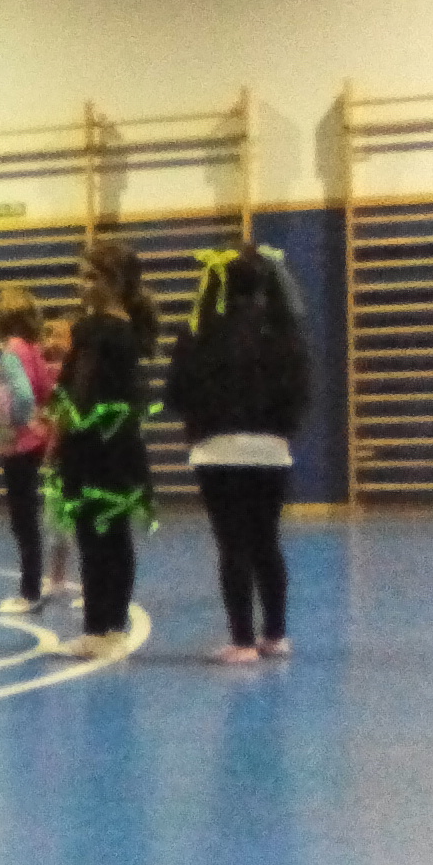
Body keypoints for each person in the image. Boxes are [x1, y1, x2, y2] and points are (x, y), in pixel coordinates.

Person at [165, 249, 310, 663]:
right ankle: (276, 635)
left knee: (233, 545)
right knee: (267, 542)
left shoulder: (200, 332)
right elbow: (300, 393)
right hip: (271, 450)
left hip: (217, 450)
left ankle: (242, 640)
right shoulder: (284, 333)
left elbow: (175, 393)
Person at [52, 240, 160, 659]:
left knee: (99, 538)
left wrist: (64, 428)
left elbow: (82, 389)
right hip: (115, 445)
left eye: (92, 277)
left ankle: (101, 629)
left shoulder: (99, 330)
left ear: (114, 283)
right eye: (81, 275)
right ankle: (108, 627)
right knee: (109, 536)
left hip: (97, 447)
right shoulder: (122, 329)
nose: (82, 284)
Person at [0, 285, 57, 614]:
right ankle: (33, 584)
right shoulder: (33, 349)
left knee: (23, 518)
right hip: (30, 442)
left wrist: (21, 421)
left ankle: (29, 591)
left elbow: (26, 395)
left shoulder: (12, 352)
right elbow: (46, 389)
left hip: (18, 443)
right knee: (27, 515)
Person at [39, 311, 79, 608]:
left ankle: (94, 583)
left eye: (59, 335)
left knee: (88, 524)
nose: (52, 341)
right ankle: (57, 577)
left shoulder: (78, 374)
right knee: (57, 522)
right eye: (49, 335)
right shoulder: (47, 371)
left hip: (77, 453)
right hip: (57, 458)